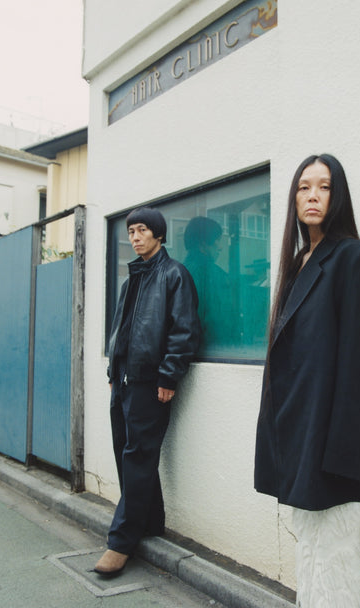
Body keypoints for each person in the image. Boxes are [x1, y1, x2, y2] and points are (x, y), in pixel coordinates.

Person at [254, 154, 360, 607]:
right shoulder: (299, 260)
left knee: (347, 563)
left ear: (338, 196)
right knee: (319, 561)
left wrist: (343, 458)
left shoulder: (356, 258)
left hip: (338, 451)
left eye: (324, 186)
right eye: (304, 187)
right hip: (304, 437)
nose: (313, 195)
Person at [95, 207, 201, 577]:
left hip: (151, 383)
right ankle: (150, 523)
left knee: (137, 456)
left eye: (142, 230)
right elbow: (121, 330)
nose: (135, 237)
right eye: (131, 232)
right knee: (127, 453)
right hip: (123, 380)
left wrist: (169, 377)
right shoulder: (133, 279)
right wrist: (113, 370)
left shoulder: (174, 274)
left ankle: (121, 542)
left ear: (159, 234)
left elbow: (184, 331)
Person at [183, 216, 236, 351]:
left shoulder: (177, 272)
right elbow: (218, 321)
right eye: (217, 240)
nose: (220, 247)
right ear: (203, 244)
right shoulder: (212, 274)